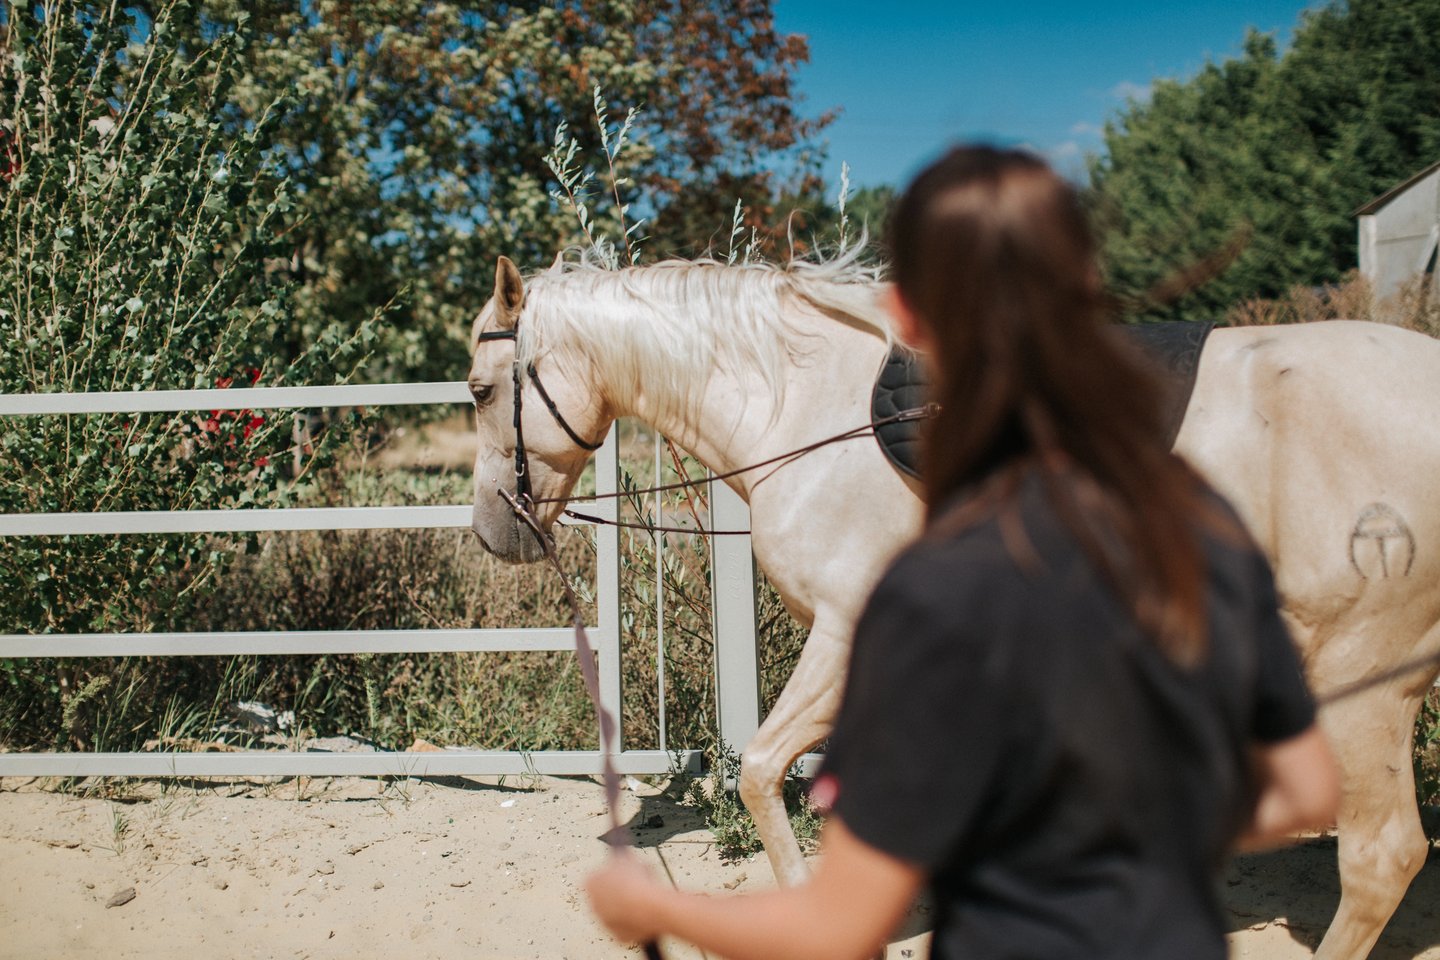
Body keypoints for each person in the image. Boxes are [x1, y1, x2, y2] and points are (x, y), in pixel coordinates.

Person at [585, 145, 1340, 960]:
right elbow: (1306, 791)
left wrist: (658, 911)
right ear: (1087, 291)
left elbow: (839, 926)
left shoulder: (930, 590)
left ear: (902, 317)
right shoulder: (1201, 529)